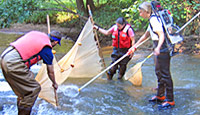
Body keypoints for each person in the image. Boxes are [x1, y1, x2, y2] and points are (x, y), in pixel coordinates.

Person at [0, 30, 62, 114]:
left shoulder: (37, 34)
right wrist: (54, 83)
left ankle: (22, 110)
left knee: (23, 92)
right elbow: (50, 72)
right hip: (13, 62)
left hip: (5, 56)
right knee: (34, 89)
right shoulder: (47, 49)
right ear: (55, 42)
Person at [128, 1, 175, 110]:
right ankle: (160, 95)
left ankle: (170, 100)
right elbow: (146, 35)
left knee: (165, 74)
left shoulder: (154, 19)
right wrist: (134, 46)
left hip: (163, 48)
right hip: (158, 47)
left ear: (146, 11)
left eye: (141, 12)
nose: (140, 14)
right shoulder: (152, 19)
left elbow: (161, 35)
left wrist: (158, 48)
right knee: (158, 72)